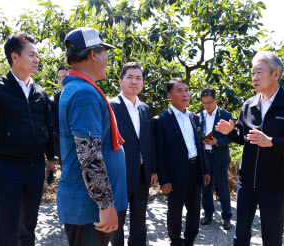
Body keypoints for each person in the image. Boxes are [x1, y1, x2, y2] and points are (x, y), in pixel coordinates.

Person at [216, 51, 284, 246]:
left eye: (259, 72)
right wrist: (231, 132)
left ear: (276, 74)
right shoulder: (249, 104)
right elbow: (244, 137)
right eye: (252, 73)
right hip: (246, 182)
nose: (254, 77)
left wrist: (272, 142)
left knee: (272, 237)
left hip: (274, 185)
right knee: (240, 235)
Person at [57, 27, 128, 246]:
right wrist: (105, 205)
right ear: (93, 54)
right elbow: (89, 157)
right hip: (90, 210)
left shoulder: (79, 88)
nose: (108, 58)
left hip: (89, 207)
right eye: (105, 52)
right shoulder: (84, 94)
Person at [0, 33, 56, 245]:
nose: (36, 59)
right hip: (6, 167)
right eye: (31, 55)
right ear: (15, 57)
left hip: (35, 167)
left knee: (29, 224)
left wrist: (50, 158)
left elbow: (47, 126)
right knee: (6, 225)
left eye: (37, 55)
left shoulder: (39, 92)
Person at [153, 77, 210, 246]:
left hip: (194, 170)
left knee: (194, 211)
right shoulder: (161, 121)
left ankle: (190, 240)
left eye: (186, 90)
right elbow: (159, 153)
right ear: (170, 96)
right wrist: (164, 179)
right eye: (180, 91)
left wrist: (205, 169)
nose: (185, 94)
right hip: (175, 174)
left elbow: (200, 146)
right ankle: (175, 242)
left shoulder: (195, 117)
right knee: (175, 212)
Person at [109, 62, 157, 246]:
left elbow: (148, 142)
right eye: (129, 77)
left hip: (142, 175)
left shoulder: (145, 109)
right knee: (117, 224)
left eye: (139, 78)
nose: (134, 81)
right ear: (121, 81)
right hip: (119, 175)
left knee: (139, 223)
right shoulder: (111, 106)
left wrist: (152, 170)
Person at [199, 88, 233, 230]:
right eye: (204, 103)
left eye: (210, 102)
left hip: (219, 156)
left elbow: (231, 137)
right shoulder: (199, 116)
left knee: (223, 188)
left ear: (216, 100)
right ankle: (208, 213)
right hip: (205, 157)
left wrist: (217, 142)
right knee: (206, 187)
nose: (207, 106)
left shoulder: (225, 115)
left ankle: (226, 217)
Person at [49, 65, 69, 167]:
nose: (61, 81)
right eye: (59, 78)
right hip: (64, 148)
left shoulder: (80, 95)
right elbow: (55, 127)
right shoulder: (53, 101)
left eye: (64, 77)